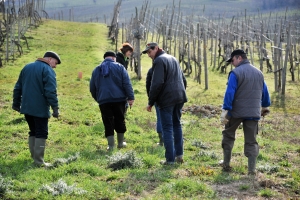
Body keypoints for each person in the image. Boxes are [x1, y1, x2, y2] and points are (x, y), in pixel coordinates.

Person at [220, 49, 271, 175]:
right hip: (253, 112)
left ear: (239, 58)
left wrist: (226, 109)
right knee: (251, 140)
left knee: (228, 135)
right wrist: (265, 106)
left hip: (236, 111)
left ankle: (226, 164)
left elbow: (230, 92)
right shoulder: (259, 73)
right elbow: (265, 91)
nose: (232, 63)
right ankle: (251, 170)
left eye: (232, 60)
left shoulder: (235, 73)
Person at [12, 51, 61, 167]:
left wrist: (16, 103)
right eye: (55, 63)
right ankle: (39, 162)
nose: (55, 66)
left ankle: (35, 158)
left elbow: (17, 87)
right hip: (40, 108)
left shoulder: (27, 67)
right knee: (41, 132)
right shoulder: (48, 70)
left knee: (33, 131)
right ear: (49, 59)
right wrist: (55, 107)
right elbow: (50, 91)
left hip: (26, 107)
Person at [142, 42, 187, 165]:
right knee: (177, 125)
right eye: (147, 53)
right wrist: (180, 93)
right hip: (179, 97)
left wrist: (151, 102)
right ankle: (179, 155)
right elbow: (183, 80)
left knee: (167, 128)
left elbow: (157, 83)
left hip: (167, 99)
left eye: (150, 52)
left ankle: (170, 160)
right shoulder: (173, 58)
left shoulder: (159, 61)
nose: (149, 55)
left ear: (156, 48)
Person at [90, 51, 134, 151]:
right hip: (119, 100)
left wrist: (99, 98)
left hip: (104, 101)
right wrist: (130, 97)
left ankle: (110, 145)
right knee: (120, 119)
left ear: (104, 58)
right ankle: (120, 143)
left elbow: (92, 88)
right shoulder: (119, 67)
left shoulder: (96, 70)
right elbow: (127, 83)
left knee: (107, 121)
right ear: (114, 58)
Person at [146, 67, 163, 146]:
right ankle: (171, 139)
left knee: (160, 118)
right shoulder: (171, 67)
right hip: (171, 97)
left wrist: (151, 100)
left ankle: (161, 141)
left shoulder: (152, 70)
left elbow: (148, 86)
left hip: (157, 98)